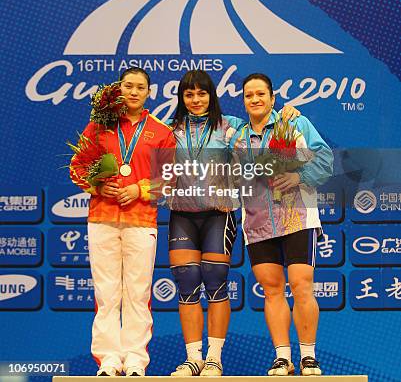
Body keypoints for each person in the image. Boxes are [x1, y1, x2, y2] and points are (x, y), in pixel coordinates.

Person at [167, 70, 300, 378]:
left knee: (214, 281)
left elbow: (263, 122)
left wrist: (288, 114)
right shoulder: (170, 130)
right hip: (182, 215)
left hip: (219, 215)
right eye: (189, 95)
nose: (196, 100)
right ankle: (192, 358)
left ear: (211, 96)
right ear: (182, 98)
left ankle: (214, 358)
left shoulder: (230, 127)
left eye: (202, 94)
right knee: (187, 284)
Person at [69, 68, 176, 377]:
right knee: (106, 292)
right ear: (119, 89)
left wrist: (139, 189)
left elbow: (170, 179)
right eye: (128, 85)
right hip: (102, 218)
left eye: (140, 87)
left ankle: (134, 361)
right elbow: (78, 167)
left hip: (141, 221)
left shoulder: (160, 131)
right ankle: (108, 360)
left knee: (138, 293)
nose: (133, 91)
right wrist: (97, 187)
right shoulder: (100, 125)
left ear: (148, 93)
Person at [232, 73, 333, 377]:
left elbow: (325, 158)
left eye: (261, 94)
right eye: (249, 95)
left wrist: (299, 177)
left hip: (297, 216)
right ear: (244, 101)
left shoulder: (294, 124)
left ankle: (308, 357)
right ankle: (282, 358)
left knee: (302, 285)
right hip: (258, 221)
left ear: (273, 98)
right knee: (273, 290)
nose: (255, 100)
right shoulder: (237, 136)